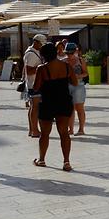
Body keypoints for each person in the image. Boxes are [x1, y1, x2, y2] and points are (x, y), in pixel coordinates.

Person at [33, 43, 77, 171]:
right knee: (64, 133)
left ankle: (41, 159)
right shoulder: (67, 66)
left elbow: (36, 87)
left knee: (45, 134)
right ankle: (66, 162)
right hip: (64, 101)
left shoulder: (42, 69)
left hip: (47, 102)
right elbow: (74, 82)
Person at [23, 34, 47, 138]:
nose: (42, 46)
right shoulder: (31, 54)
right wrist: (41, 68)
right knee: (35, 108)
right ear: (36, 42)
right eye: (41, 44)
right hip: (34, 84)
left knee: (33, 107)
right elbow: (29, 71)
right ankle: (35, 130)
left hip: (33, 84)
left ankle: (31, 129)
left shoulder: (33, 52)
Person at [65, 43, 88, 135]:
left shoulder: (80, 60)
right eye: (68, 53)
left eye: (71, 53)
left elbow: (86, 73)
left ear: (76, 51)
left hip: (78, 85)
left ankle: (81, 129)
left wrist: (77, 76)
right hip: (66, 85)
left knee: (79, 108)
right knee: (70, 108)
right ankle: (70, 129)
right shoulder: (63, 61)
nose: (69, 55)